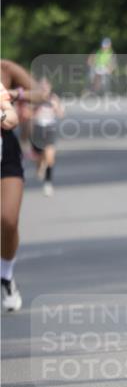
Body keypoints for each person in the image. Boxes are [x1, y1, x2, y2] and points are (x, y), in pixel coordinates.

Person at [1, 59, 45, 312]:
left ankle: (6, 275)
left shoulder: (4, 70)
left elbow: (40, 94)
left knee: (8, 220)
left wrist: (15, 94)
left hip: (4, 151)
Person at [30, 77, 65, 196]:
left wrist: (56, 108)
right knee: (40, 156)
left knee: (50, 157)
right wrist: (36, 109)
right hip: (38, 129)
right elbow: (27, 115)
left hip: (50, 129)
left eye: (46, 86)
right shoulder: (34, 99)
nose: (44, 88)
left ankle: (48, 183)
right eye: (42, 86)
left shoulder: (54, 98)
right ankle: (40, 166)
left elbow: (61, 114)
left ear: (50, 87)